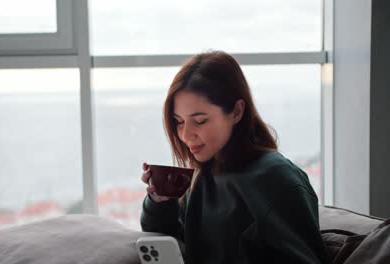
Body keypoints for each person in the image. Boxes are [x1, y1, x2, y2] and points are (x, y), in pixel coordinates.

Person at [140, 51, 327, 264]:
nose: (185, 135)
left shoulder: (276, 177)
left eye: (200, 121)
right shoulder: (203, 174)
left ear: (236, 112)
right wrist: (160, 202)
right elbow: (174, 245)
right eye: (179, 121)